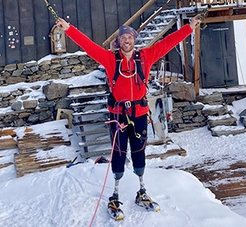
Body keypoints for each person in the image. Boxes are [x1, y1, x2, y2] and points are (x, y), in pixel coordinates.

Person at [56, 15, 201, 219]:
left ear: (134, 40)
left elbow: (168, 43)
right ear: (118, 42)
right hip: (118, 116)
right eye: (123, 38)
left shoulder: (146, 57)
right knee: (119, 152)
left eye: (130, 38)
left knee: (140, 152)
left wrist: (189, 28)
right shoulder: (109, 59)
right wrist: (69, 29)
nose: (127, 41)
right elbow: (89, 46)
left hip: (140, 114)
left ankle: (142, 191)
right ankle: (115, 194)